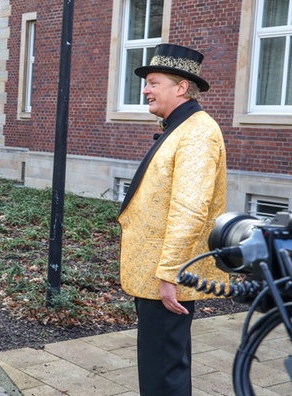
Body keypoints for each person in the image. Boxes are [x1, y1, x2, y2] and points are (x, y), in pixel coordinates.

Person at [118, 43, 228, 395]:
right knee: (163, 363)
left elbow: (190, 209)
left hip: (164, 277)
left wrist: (170, 274)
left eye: (153, 82)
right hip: (156, 273)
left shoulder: (197, 133)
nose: (145, 89)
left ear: (181, 87)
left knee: (163, 372)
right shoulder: (180, 127)